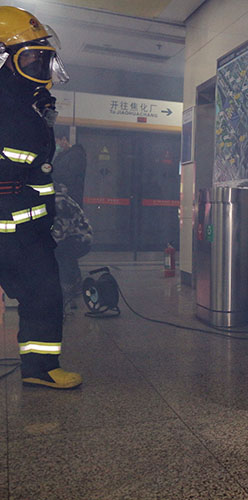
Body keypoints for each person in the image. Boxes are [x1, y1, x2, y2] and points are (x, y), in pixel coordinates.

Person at [0, 6, 82, 389]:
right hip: (7, 223)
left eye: (43, 57)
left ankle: (40, 367)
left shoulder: (31, 103)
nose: (40, 65)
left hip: (28, 226)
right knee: (43, 291)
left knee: (45, 294)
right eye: (30, 57)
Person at [52, 182, 93, 309]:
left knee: (60, 256)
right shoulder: (63, 199)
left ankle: (67, 294)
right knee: (64, 255)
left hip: (76, 239)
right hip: (82, 239)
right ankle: (75, 281)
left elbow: (59, 233)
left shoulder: (58, 203)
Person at [53, 134, 87, 207]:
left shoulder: (76, 154)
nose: (56, 145)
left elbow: (72, 175)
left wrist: (59, 177)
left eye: (56, 142)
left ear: (64, 140)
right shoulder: (60, 156)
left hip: (71, 195)